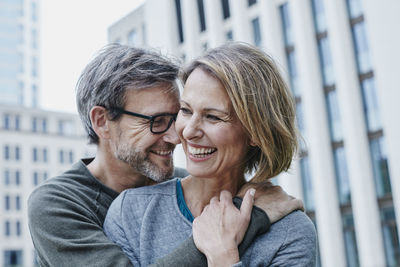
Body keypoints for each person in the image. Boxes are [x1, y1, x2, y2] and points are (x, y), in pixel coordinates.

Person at [28, 44, 303, 267]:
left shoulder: (186, 182)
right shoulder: (56, 205)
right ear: (102, 122)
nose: (177, 136)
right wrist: (247, 221)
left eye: (176, 116)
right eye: (157, 121)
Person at [104, 42, 317, 267]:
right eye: (185, 111)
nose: (188, 131)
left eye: (213, 117)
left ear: (256, 131)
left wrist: (223, 257)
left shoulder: (290, 233)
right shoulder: (132, 213)